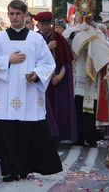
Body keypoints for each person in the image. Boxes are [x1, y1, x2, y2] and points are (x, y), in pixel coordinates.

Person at [0, 0, 62, 182]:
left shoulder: (36, 39)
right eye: (11, 14)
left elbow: (48, 63)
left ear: (26, 15)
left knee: (28, 132)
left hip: (29, 94)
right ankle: (11, 170)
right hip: (7, 93)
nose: (15, 18)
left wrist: (37, 74)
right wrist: (7, 59)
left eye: (18, 14)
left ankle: (26, 168)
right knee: (10, 134)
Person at [63, 9, 109, 148]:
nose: (84, 20)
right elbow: (63, 45)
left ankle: (91, 137)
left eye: (88, 17)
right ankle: (77, 136)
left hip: (92, 75)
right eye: (81, 16)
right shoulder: (71, 31)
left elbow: (105, 51)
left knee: (90, 108)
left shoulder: (97, 33)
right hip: (76, 73)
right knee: (77, 106)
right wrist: (74, 36)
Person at [35, 12, 77, 142]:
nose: (45, 27)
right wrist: (48, 48)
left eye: (48, 24)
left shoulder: (58, 37)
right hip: (42, 79)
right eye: (42, 24)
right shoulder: (35, 38)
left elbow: (66, 61)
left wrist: (60, 76)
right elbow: (34, 58)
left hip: (57, 79)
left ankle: (57, 136)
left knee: (58, 107)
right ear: (38, 25)